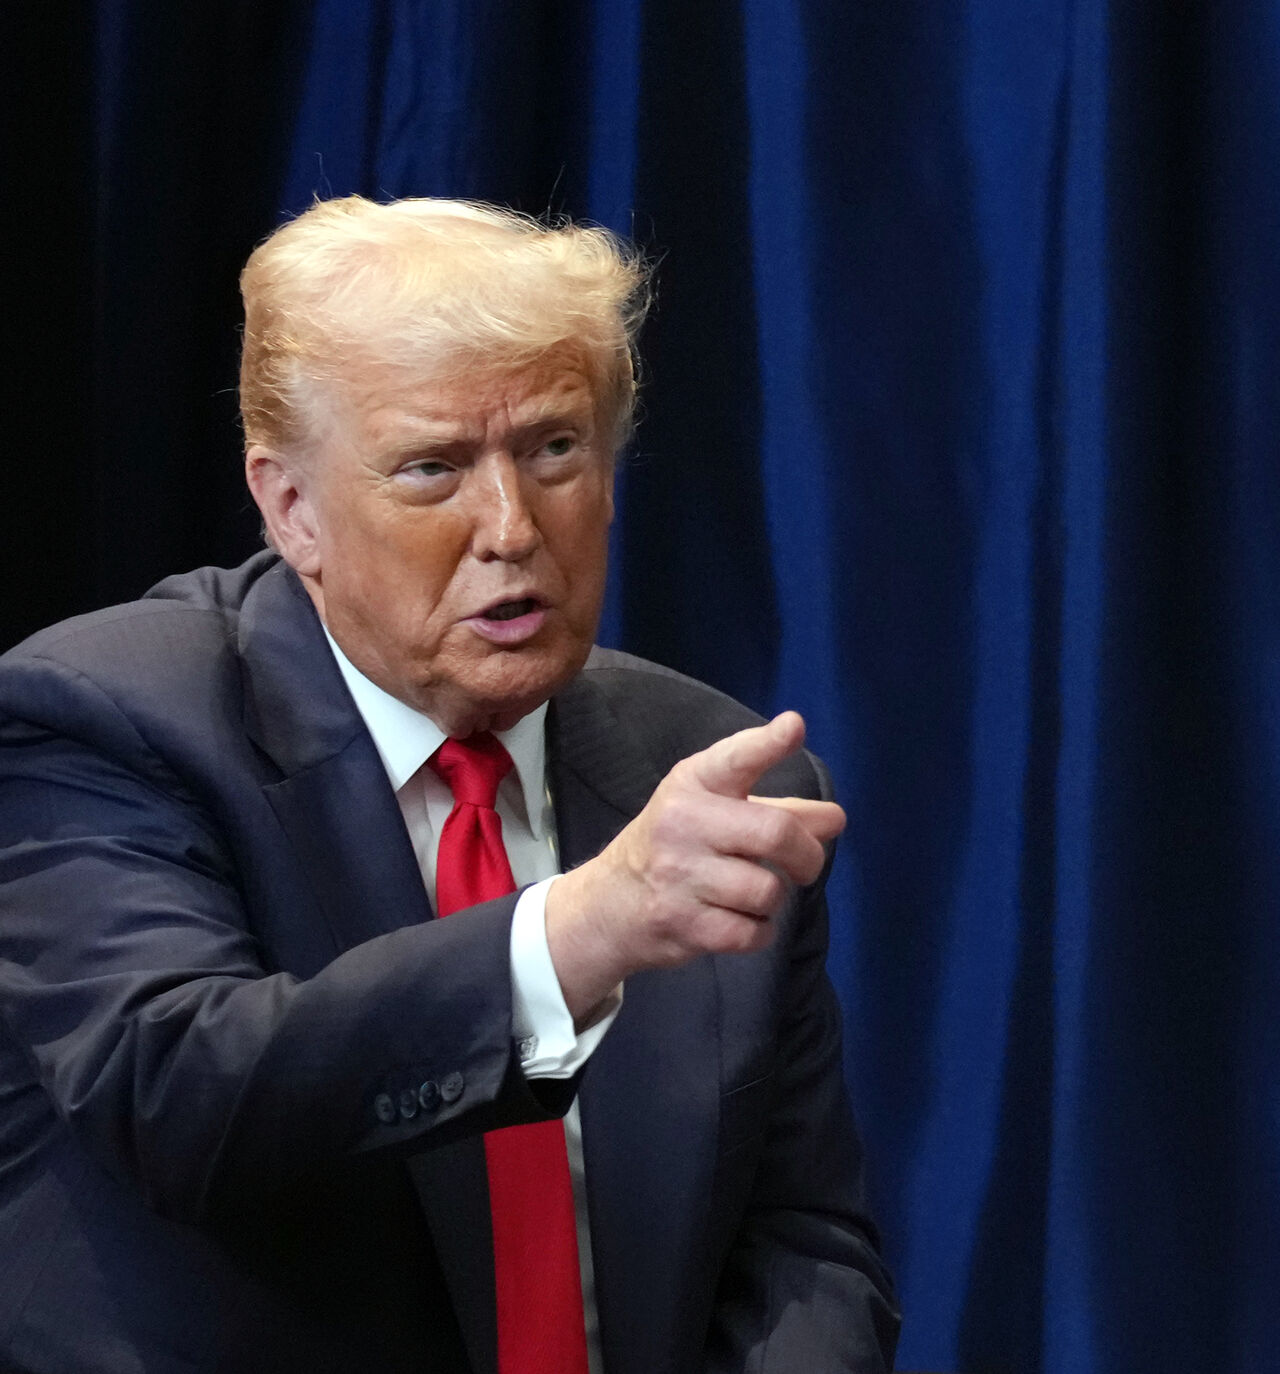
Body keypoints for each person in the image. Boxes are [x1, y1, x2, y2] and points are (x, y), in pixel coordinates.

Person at [0, 197, 899, 1373]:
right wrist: (569, 938)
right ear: (292, 509)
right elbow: (186, 1098)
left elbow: (801, 1240)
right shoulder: (103, 718)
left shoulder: (708, 769)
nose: (511, 526)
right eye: (432, 469)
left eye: (554, 448)